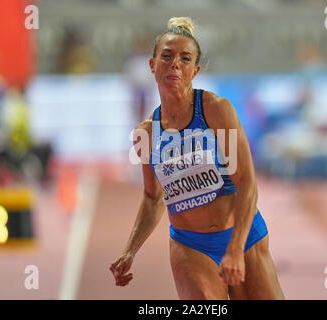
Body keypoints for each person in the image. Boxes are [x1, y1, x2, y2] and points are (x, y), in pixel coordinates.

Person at [110, 17, 285, 300]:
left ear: (195, 70)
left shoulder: (216, 111)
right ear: (152, 65)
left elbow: (247, 183)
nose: (175, 64)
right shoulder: (145, 134)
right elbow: (153, 198)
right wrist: (130, 250)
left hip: (243, 235)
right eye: (166, 56)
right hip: (191, 246)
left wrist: (236, 249)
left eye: (185, 58)